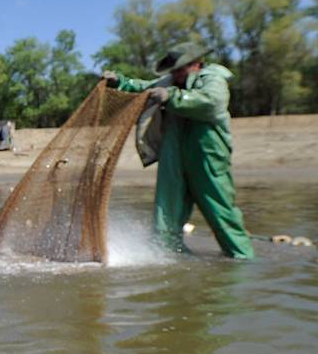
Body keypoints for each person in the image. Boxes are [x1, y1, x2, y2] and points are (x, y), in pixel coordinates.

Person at [104, 42, 254, 259]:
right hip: (173, 156)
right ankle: (167, 257)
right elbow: (143, 88)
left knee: (221, 211)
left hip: (207, 157)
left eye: (180, 68)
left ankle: (241, 258)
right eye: (174, 70)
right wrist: (120, 82)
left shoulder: (212, 79)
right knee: (166, 213)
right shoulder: (169, 82)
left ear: (196, 64)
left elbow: (211, 103)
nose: (176, 74)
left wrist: (172, 97)